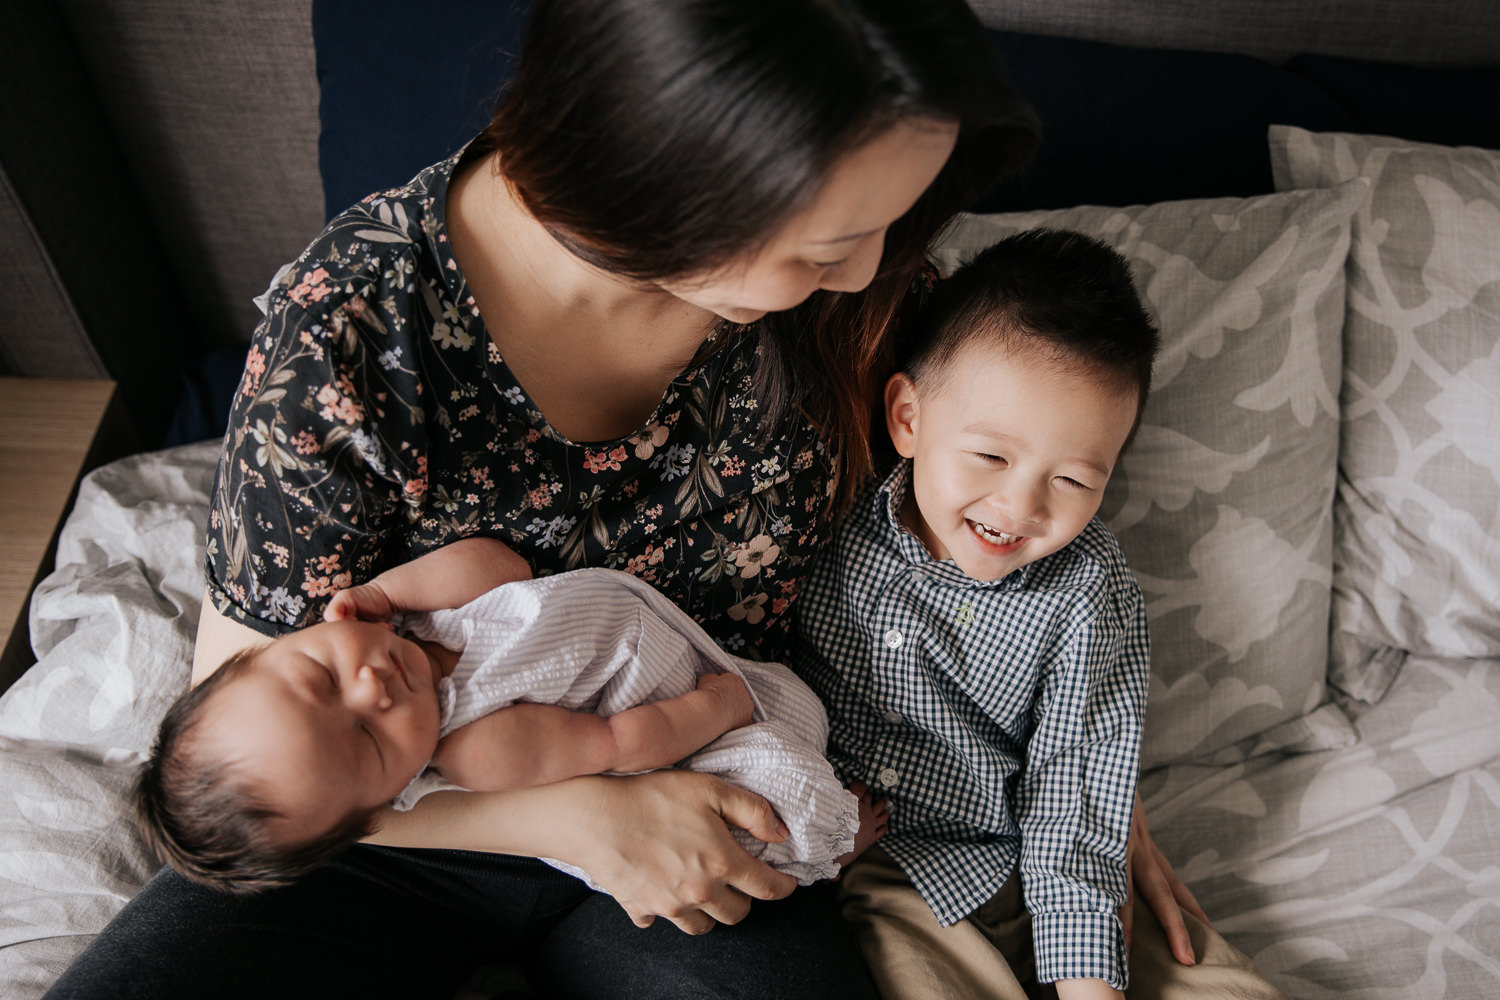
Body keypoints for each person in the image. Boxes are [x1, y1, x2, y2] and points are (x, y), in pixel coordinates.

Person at [44, 2, 1239, 997]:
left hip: (729, 794)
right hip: (406, 825)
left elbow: (999, 472)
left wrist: (1077, 781)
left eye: (884, 226)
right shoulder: (354, 333)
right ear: (664, 179)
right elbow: (263, 740)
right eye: (831, 239)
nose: (870, 271)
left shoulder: (844, 299)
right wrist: (571, 818)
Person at [797, 229, 1288, 1000]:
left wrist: (1087, 971)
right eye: (990, 457)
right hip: (895, 869)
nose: (1020, 506)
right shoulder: (827, 518)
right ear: (907, 418)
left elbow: (1077, 792)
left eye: (1071, 478)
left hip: (1045, 856)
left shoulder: (1088, 591)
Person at [135, 536, 877, 894]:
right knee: (774, 798)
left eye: (320, 672)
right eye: (366, 738)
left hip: (666, 650)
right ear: (388, 801)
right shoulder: (475, 748)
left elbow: (505, 572)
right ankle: (835, 840)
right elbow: (618, 744)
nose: (371, 688)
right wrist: (717, 705)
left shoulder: (419, 627)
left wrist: (390, 597)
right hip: (678, 723)